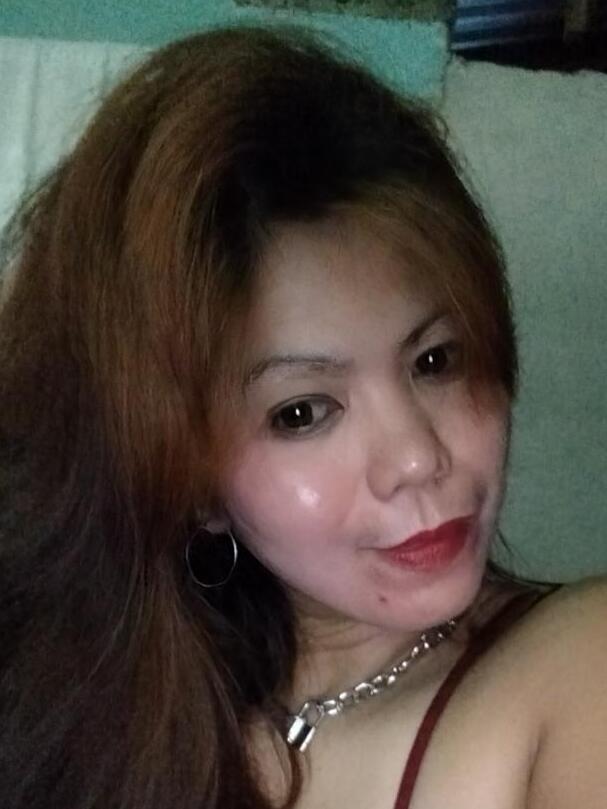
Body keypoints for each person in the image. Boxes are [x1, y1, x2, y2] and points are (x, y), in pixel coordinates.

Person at [0, 23, 605, 809]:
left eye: (435, 360)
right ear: (186, 477)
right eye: (302, 412)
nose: (416, 457)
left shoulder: (577, 671)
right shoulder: (108, 719)